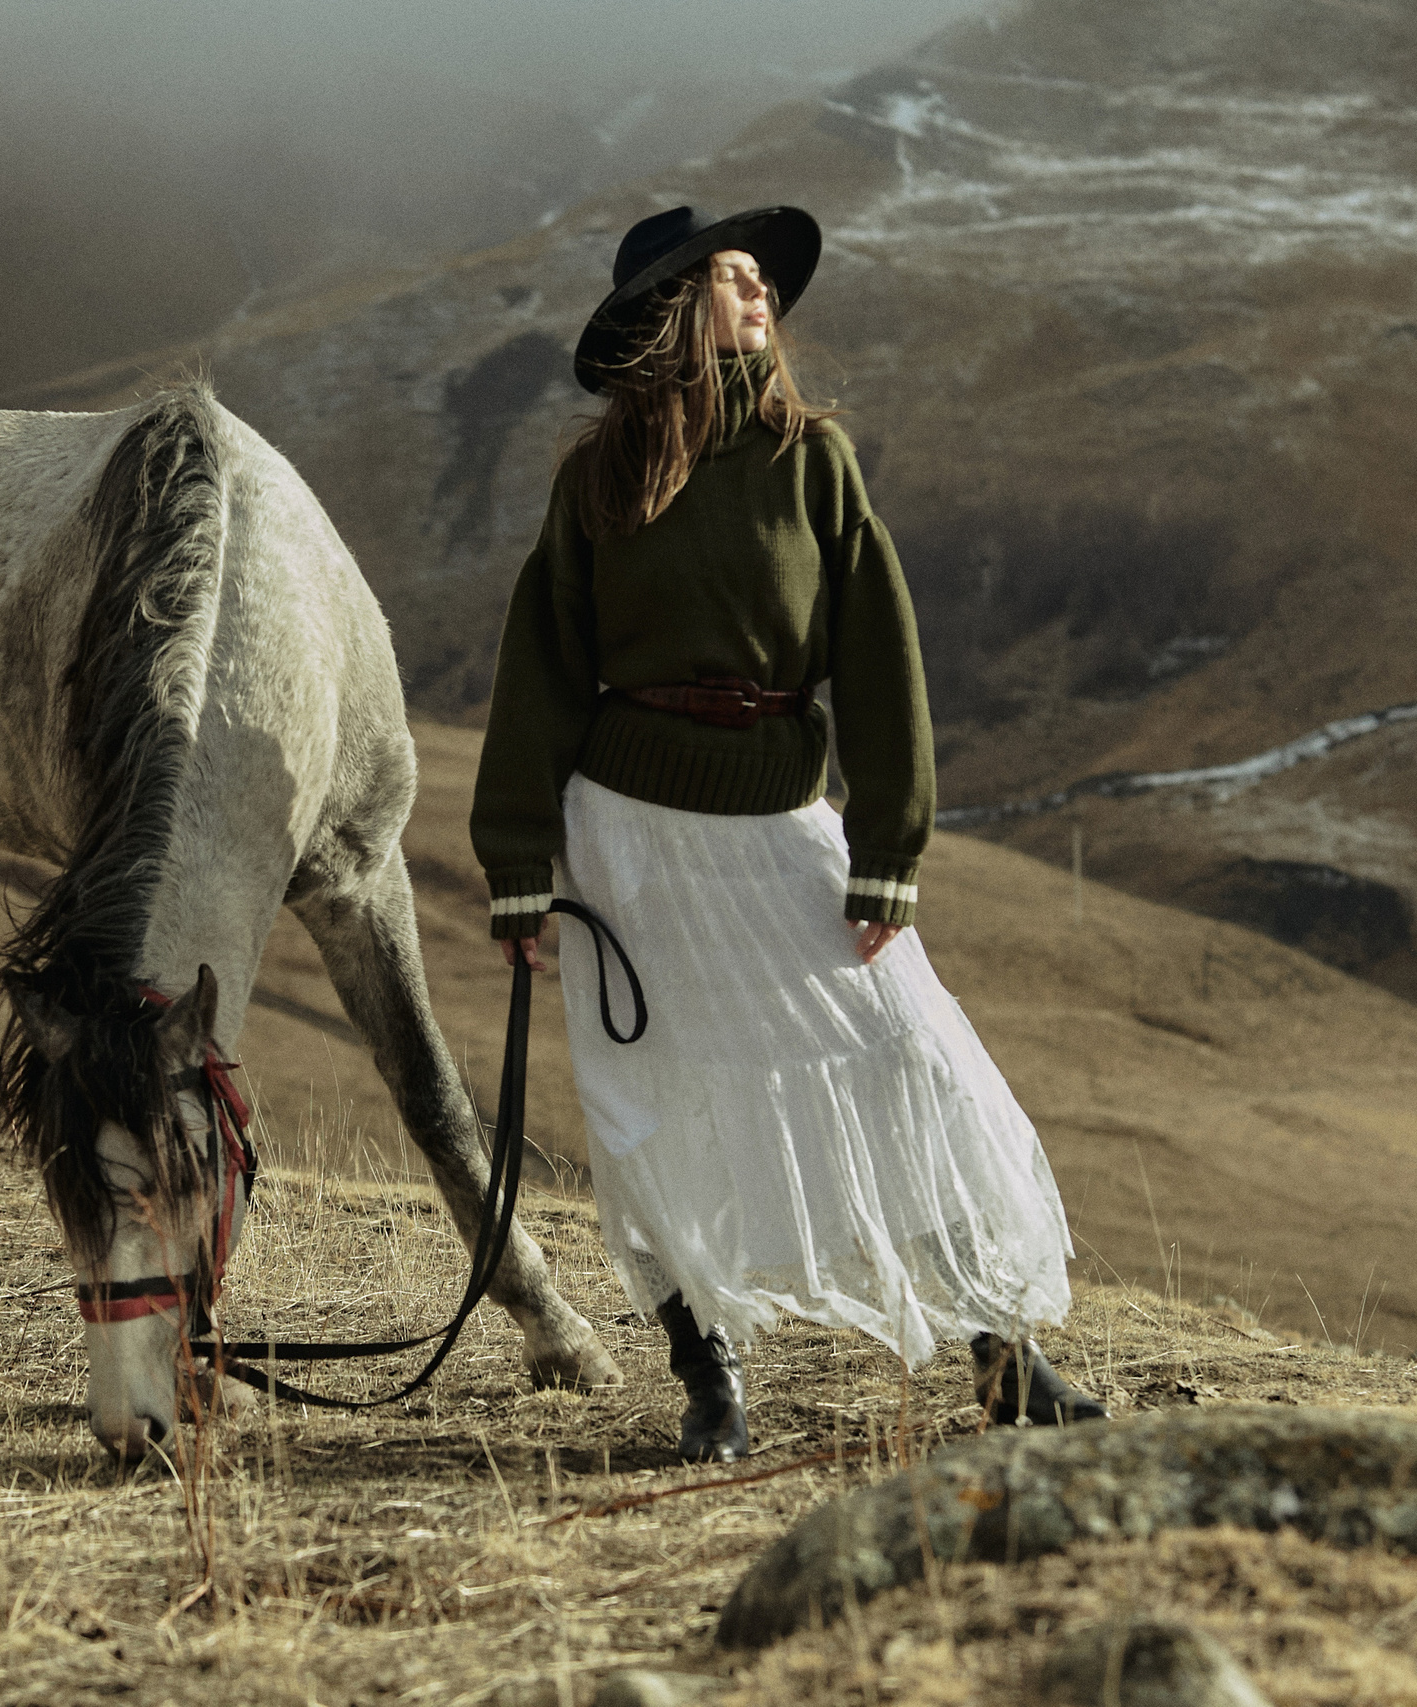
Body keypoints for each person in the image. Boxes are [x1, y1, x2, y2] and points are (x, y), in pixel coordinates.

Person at [469, 204, 1105, 1462]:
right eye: (732, 276)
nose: (761, 294)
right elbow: (541, 669)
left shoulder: (814, 459)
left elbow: (877, 654)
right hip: (629, 839)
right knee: (655, 1106)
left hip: (778, 819)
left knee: (913, 1058)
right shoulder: (595, 475)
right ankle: (709, 1378)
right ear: (673, 303)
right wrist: (517, 869)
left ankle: (1002, 1358)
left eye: (766, 280)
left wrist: (889, 846)